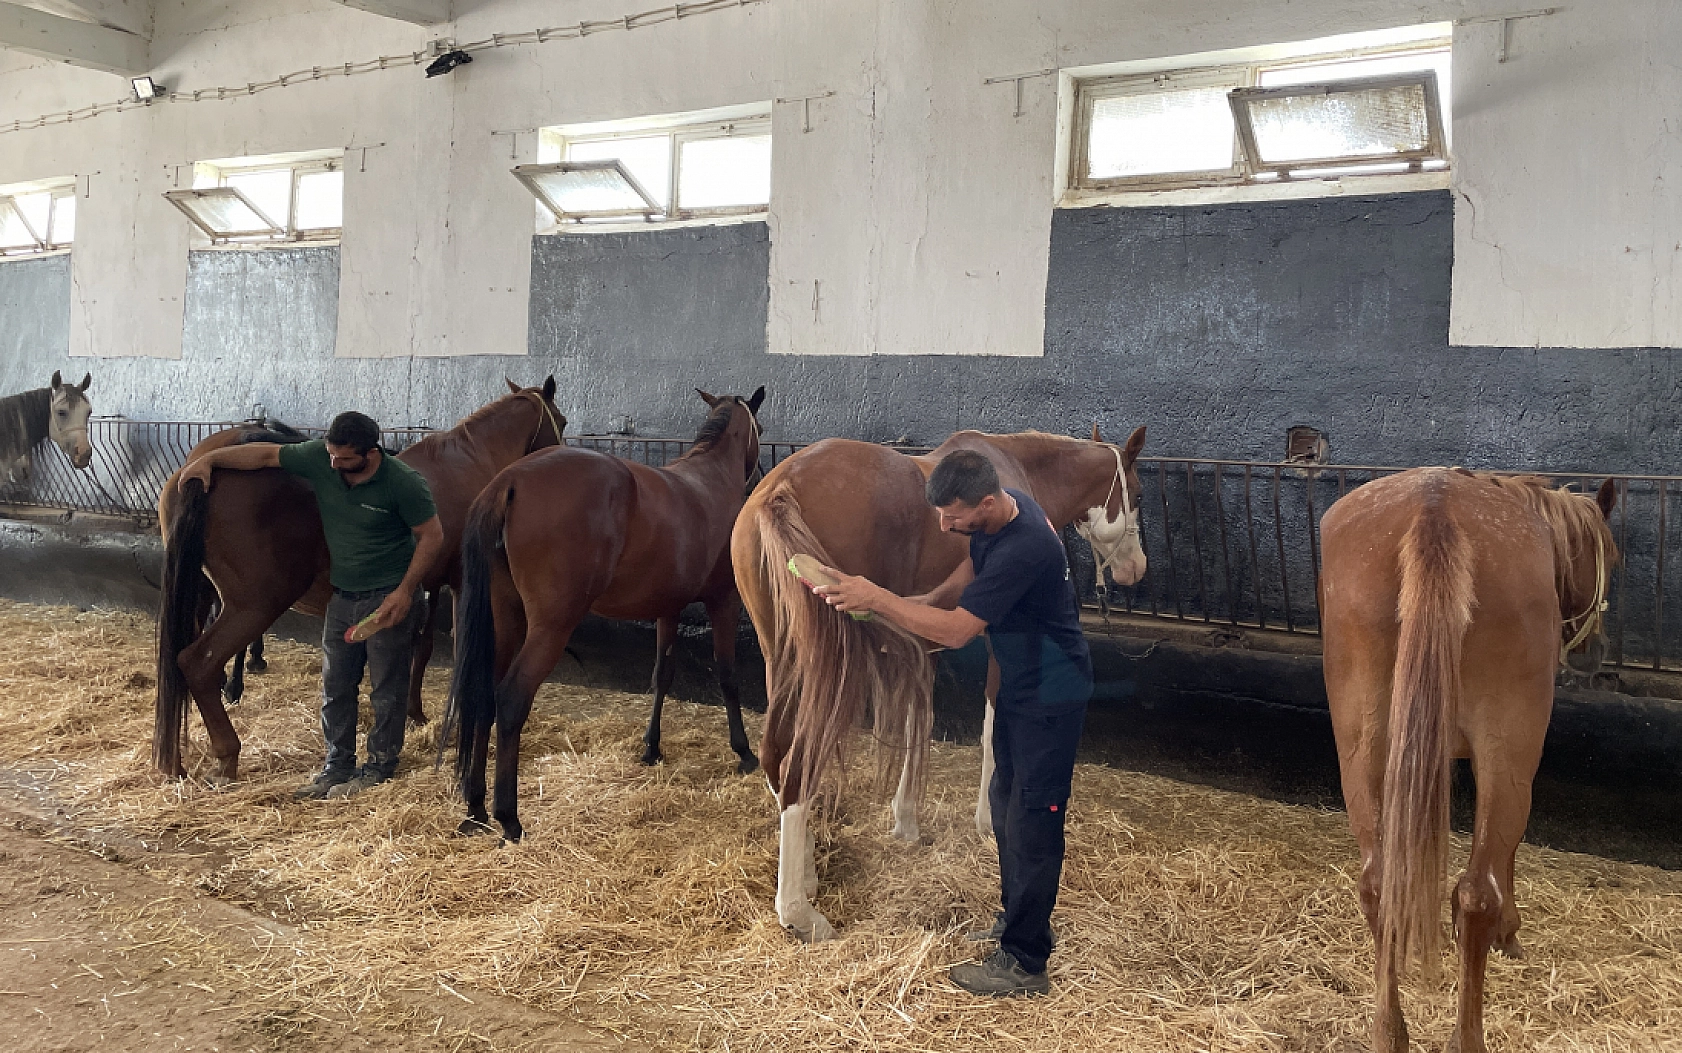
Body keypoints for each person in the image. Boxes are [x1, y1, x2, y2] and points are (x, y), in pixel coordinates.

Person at [807, 449, 1092, 998]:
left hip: (1051, 695)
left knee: (1035, 820)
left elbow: (959, 631)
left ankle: (1025, 962)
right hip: (1020, 686)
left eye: (952, 515)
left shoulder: (1025, 547)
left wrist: (880, 599)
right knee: (1006, 805)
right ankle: (1016, 922)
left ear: (985, 502)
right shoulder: (1004, 516)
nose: (943, 525)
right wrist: (898, 609)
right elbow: (958, 585)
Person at [180, 411, 443, 800]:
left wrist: (405, 592)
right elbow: (265, 455)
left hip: (386, 598)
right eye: (331, 455)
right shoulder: (323, 458)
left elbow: (432, 536)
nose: (334, 465)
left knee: (386, 689)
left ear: (371, 454)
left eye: (344, 459)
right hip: (344, 596)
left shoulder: (403, 483)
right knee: (335, 687)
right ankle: (337, 766)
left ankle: (380, 766)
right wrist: (209, 460)